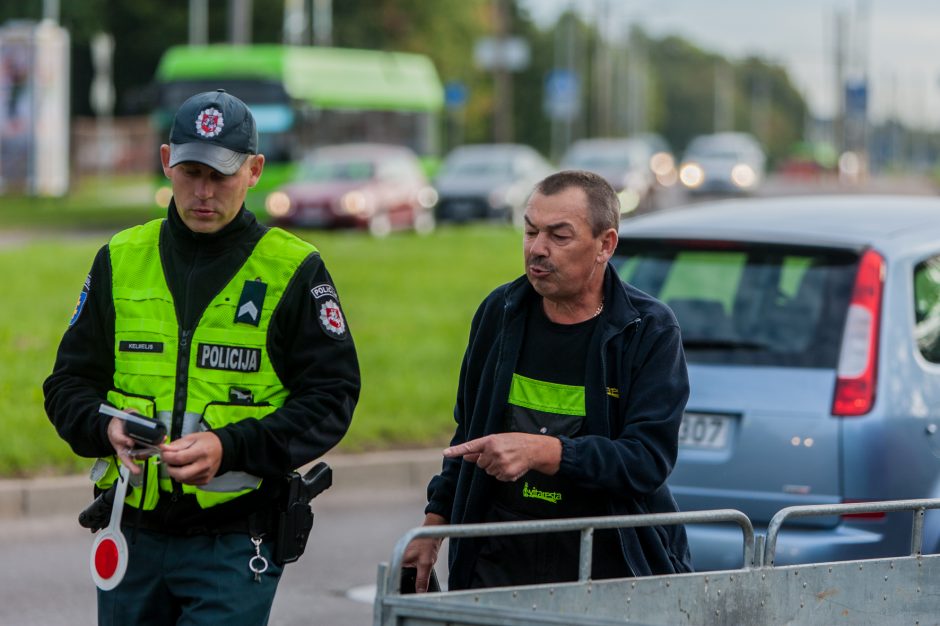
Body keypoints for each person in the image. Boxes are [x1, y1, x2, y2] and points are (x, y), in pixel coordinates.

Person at [43, 89, 360, 624]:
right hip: (132, 536)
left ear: (256, 170)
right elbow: (67, 384)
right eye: (191, 172)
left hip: (233, 544)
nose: (204, 192)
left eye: (222, 175)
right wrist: (106, 429)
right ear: (167, 161)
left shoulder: (294, 270)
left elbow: (332, 398)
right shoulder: (120, 258)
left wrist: (229, 446)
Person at [403, 170, 692, 592]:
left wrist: (546, 452)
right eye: (531, 231)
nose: (537, 249)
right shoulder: (499, 312)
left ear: (605, 245)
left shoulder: (647, 329)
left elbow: (646, 461)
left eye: (559, 236)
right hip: (498, 556)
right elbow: (469, 433)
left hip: (604, 564)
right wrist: (433, 526)